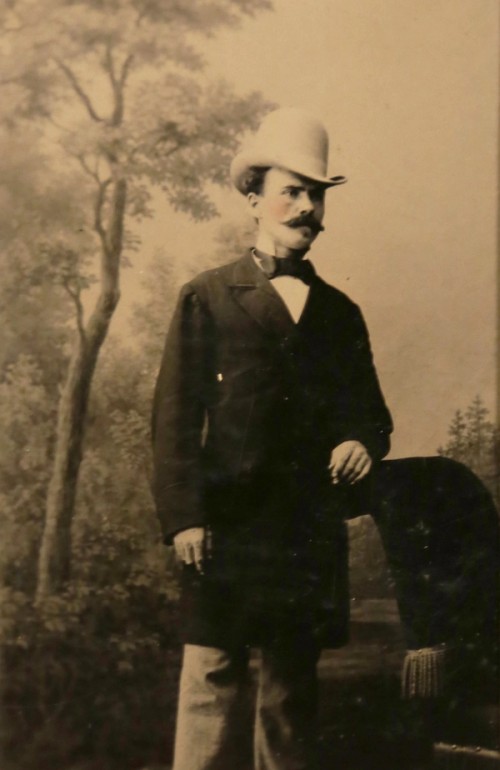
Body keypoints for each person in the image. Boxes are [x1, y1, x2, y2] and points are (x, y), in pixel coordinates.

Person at [151, 107, 393, 770]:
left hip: (305, 527)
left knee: (289, 693)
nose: (307, 207)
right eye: (292, 191)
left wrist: (360, 441)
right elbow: (172, 420)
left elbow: (372, 415)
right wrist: (184, 518)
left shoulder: (342, 315)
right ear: (254, 199)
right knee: (211, 680)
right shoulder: (205, 297)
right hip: (224, 523)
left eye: (316, 195)